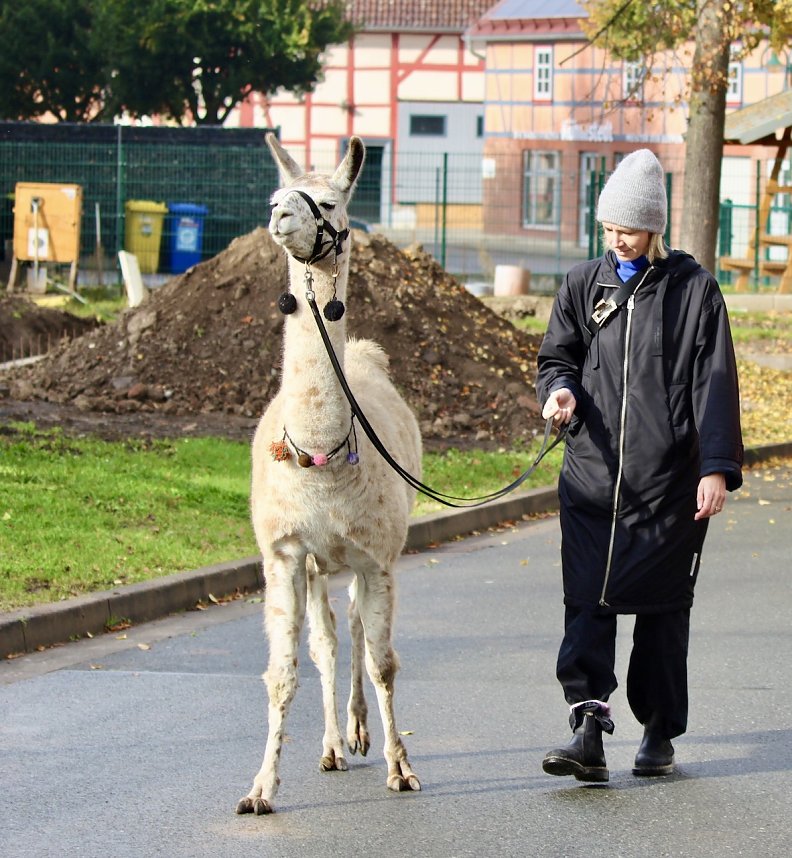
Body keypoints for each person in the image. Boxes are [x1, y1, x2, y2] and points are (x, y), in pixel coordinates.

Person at [535, 148, 743, 782]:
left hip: (669, 485)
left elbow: (715, 383)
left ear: (655, 228)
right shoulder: (582, 285)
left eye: (628, 227)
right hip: (593, 477)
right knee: (587, 601)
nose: (617, 238)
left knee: (661, 609)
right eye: (608, 228)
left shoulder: (694, 290)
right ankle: (587, 729)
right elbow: (556, 356)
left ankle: (657, 728)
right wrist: (560, 391)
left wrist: (714, 466)